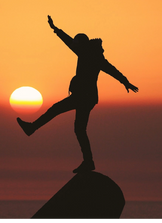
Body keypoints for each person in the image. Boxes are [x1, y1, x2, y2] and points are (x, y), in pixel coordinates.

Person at [17, 15, 138, 173]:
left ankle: (32, 128)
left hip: (83, 97)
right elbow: (71, 43)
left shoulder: (89, 55)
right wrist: (55, 29)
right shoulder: (91, 54)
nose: (75, 47)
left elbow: (111, 69)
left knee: (56, 110)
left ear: (81, 45)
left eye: (77, 45)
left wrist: (125, 81)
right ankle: (88, 162)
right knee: (79, 129)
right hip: (87, 98)